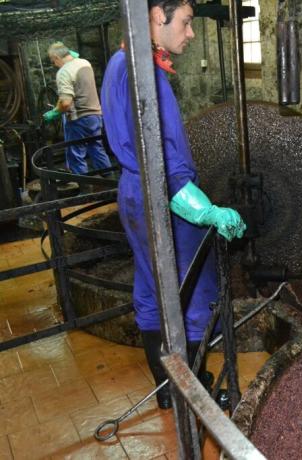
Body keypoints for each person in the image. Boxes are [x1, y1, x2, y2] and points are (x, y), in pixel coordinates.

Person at [100, 0, 246, 409]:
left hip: (135, 194)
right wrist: (206, 211)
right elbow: (161, 163)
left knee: (152, 289)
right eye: (186, 22)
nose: (191, 32)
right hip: (163, 201)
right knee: (193, 290)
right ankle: (193, 394)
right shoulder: (142, 74)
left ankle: (168, 391)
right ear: (157, 16)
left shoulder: (119, 62)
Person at [43, 42, 112, 176]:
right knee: (96, 148)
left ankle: (84, 190)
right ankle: (110, 183)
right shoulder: (85, 63)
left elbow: (66, 103)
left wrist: (55, 112)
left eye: (53, 61)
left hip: (78, 118)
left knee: (75, 154)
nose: (54, 64)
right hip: (95, 115)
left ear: (57, 57)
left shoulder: (63, 72)